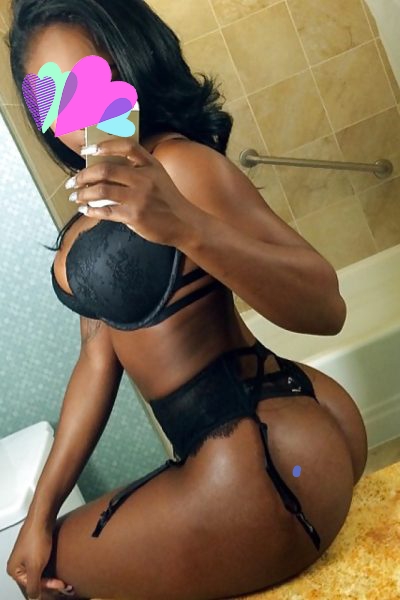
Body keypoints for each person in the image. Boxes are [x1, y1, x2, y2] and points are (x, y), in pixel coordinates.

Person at [5, 1, 368, 599]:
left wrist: (184, 226)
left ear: (130, 65)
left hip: (265, 451)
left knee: (54, 578)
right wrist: (38, 514)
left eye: (89, 81)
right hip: (259, 448)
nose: (75, 112)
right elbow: (97, 358)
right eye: (50, 95)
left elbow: (327, 308)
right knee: (38, 559)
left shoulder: (180, 164)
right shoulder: (98, 204)